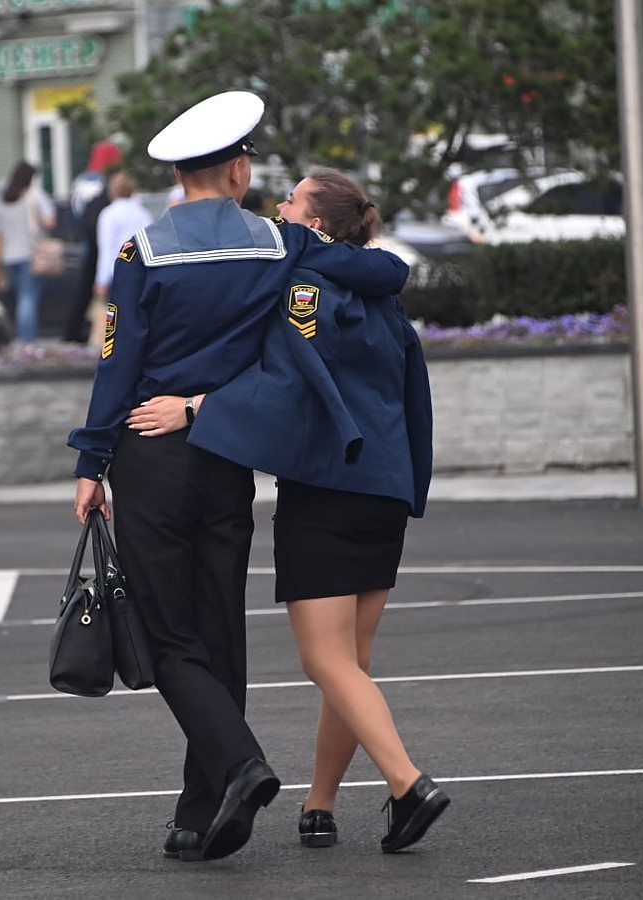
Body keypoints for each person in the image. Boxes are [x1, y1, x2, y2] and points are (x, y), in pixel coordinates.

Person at [67, 91, 409, 863]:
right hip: (225, 449)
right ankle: (202, 813)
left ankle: (241, 763)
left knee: (165, 631)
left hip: (151, 453)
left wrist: (92, 462)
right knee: (220, 626)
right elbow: (379, 271)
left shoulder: (142, 251)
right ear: (236, 168)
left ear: (184, 173)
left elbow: (117, 367)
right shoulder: (276, 242)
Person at [127, 169, 449, 854]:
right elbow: (411, 385)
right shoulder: (380, 287)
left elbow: (286, 382)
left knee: (326, 662)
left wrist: (193, 408)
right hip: (386, 489)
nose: (277, 208)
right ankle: (320, 803)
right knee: (353, 661)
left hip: (329, 488)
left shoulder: (304, 289)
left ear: (317, 225)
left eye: (292, 203)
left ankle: (408, 784)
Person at [61, 141, 125, 343]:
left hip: (85, 236)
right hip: (100, 236)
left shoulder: (81, 180)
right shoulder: (105, 182)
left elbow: (72, 208)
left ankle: (73, 331)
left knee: (84, 287)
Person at [0, 160, 56, 343]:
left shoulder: (1, 198)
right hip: (30, 254)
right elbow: (50, 221)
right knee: (29, 299)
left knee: (21, 298)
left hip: (8, 255)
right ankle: (27, 340)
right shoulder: (34, 196)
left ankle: (21, 336)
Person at [90, 171, 154, 348]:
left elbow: (106, 249)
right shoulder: (143, 213)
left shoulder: (109, 214)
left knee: (115, 319)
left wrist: (100, 280)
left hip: (116, 272)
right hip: (142, 271)